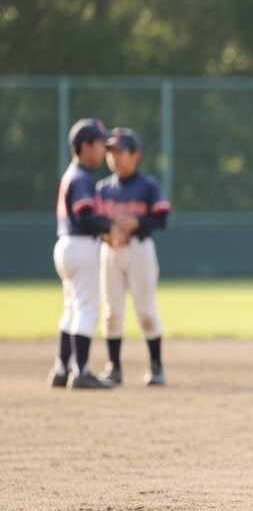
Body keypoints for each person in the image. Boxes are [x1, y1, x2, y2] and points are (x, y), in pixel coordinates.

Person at [96, 128, 172, 386]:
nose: (114, 157)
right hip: (111, 252)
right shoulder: (103, 188)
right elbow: (93, 222)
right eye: (110, 152)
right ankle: (114, 367)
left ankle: (156, 366)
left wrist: (137, 223)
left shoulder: (148, 185)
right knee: (111, 312)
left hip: (140, 250)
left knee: (146, 311)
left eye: (120, 152)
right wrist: (106, 235)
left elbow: (162, 218)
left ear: (136, 155)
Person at [50, 118, 116, 390]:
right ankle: (81, 372)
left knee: (71, 308)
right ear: (85, 146)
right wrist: (110, 226)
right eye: (100, 144)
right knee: (87, 308)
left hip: (66, 244)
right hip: (80, 245)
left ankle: (61, 369)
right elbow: (85, 215)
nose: (103, 150)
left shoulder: (72, 174)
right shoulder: (82, 177)